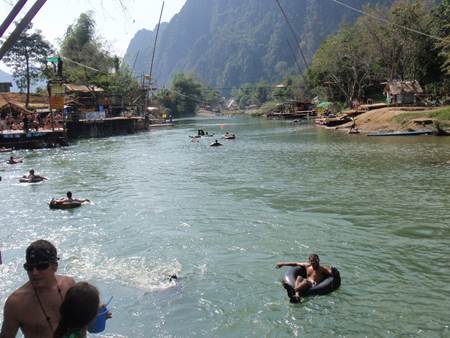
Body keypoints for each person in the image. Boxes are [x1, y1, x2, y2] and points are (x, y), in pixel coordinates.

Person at [0, 240, 76, 338]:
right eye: (30, 267)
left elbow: (84, 320)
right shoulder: (16, 304)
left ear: (54, 267)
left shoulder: (69, 285)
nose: (34, 272)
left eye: (41, 266)